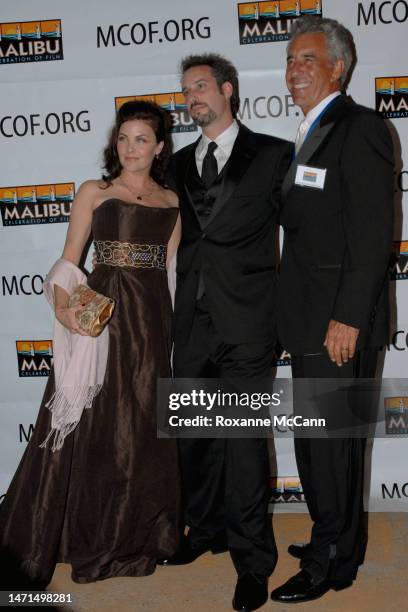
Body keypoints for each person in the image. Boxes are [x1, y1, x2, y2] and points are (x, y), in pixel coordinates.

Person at [0, 100, 181, 587]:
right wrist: (62, 311)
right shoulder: (95, 192)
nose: (131, 148)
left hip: (151, 320)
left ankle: (140, 534)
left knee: (142, 422)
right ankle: (85, 536)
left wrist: (169, 332)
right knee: (95, 421)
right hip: (102, 318)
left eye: (142, 139)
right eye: (123, 138)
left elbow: (170, 273)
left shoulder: (171, 202)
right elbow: (68, 260)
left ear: (159, 146)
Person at [159, 53, 292, 611]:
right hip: (191, 321)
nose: (193, 98)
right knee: (194, 436)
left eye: (202, 87)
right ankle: (206, 530)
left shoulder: (274, 154)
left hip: (249, 321)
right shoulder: (177, 165)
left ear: (229, 90)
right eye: (186, 91)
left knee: (241, 443)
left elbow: (302, 236)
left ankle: (252, 561)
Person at [271, 16, 394, 603]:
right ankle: (338, 540)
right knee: (320, 441)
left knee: (330, 443)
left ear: (338, 68)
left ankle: (330, 560)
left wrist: (347, 317)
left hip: (338, 324)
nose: (294, 70)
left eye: (307, 60)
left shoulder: (360, 127)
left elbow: (372, 236)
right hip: (308, 319)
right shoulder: (307, 132)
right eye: (291, 59)